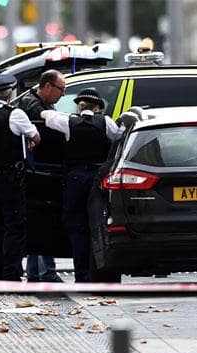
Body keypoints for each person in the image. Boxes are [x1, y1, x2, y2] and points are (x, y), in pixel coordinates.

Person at [40, 89, 125, 282]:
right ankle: (100, 273)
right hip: (98, 178)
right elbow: (118, 139)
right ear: (97, 107)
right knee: (98, 224)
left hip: (76, 178)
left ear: (79, 106)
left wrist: (62, 114)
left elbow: (46, 115)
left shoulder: (69, 122)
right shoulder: (106, 122)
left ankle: (81, 275)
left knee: (77, 227)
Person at [0, 74, 41, 281]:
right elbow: (36, 136)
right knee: (14, 225)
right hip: (10, 178)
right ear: (10, 93)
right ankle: (11, 272)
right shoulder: (15, 114)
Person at [18, 69, 67, 283]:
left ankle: (38, 271)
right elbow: (43, 128)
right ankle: (43, 271)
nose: (63, 95)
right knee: (40, 221)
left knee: (39, 222)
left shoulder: (42, 103)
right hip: (36, 173)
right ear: (47, 86)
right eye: (61, 89)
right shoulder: (32, 105)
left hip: (41, 172)